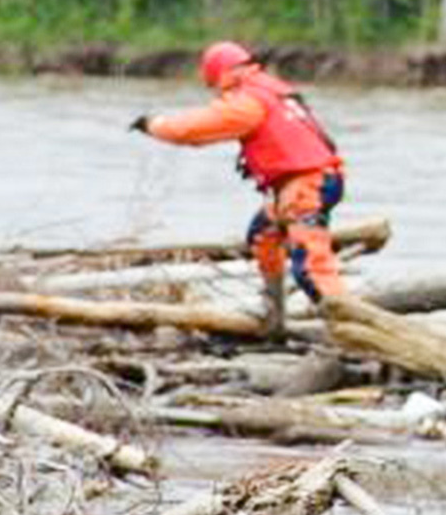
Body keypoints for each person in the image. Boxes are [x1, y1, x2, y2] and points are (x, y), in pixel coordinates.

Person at [131, 41, 345, 337]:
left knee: (311, 269)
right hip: (309, 181)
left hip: (305, 187)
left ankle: (355, 332)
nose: (217, 95)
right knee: (263, 235)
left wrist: (154, 124)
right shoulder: (273, 89)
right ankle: (275, 317)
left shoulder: (247, 101)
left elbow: (192, 130)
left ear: (219, 75)